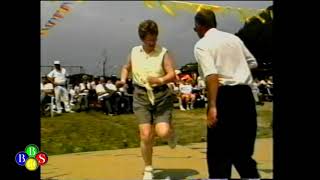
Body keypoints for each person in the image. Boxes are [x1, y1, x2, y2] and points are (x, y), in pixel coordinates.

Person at [193, 9, 260, 179]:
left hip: (223, 95)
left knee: (218, 153)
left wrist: (213, 106)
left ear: (200, 26)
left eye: (196, 28)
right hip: (244, 94)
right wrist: (236, 68)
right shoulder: (234, 39)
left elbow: (212, 76)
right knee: (243, 152)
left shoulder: (202, 45)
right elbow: (253, 62)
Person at [116, 19, 177, 180]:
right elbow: (126, 67)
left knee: (162, 132)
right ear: (142, 38)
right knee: (145, 134)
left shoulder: (163, 52)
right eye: (149, 40)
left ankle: (170, 134)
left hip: (161, 95)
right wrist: (123, 80)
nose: (152, 43)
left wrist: (160, 80)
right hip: (141, 95)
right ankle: (148, 168)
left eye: (154, 39)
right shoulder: (134, 51)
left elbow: (172, 74)